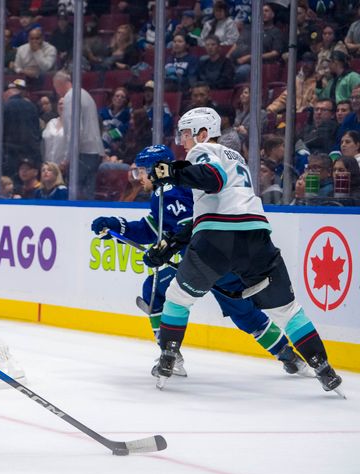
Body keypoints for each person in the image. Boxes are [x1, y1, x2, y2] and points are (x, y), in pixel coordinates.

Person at [144, 108, 343, 395]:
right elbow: (220, 205)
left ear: (202, 133)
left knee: (177, 297)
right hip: (255, 237)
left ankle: (168, 357)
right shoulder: (236, 159)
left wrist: (173, 171)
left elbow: (212, 180)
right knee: (287, 309)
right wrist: (174, 242)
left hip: (216, 241)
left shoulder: (203, 149)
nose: (183, 141)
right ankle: (323, 367)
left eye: (186, 134)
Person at [94, 144, 313, 379]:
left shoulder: (170, 190)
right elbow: (152, 229)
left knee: (154, 288)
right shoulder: (168, 191)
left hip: (203, 261)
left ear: (156, 169)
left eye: (142, 171)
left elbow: (189, 227)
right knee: (244, 312)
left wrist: (168, 247)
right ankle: (287, 355)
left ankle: (170, 355)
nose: (139, 178)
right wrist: (118, 226)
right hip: (224, 258)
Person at [53, 70, 104, 199]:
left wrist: (67, 158)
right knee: (88, 193)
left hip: (82, 153)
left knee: (77, 194)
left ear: (59, 84)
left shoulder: (70, 98)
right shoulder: (85, 94)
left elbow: (75, 131)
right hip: (94, 151)